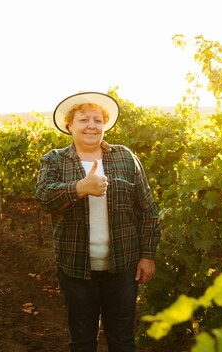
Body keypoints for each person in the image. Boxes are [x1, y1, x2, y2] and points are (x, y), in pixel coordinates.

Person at [35, 92, 161, 351]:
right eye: (83, 119)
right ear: (70, 126)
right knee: (81, 339)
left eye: (97, 119)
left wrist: (147, 255)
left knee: (122, 339)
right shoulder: (55, 160)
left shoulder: (125, 158)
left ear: (104, 125)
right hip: (76, 268)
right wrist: (80, 187)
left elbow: (147, 211)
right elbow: (44, 198)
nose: (91, 125)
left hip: (123, 266)